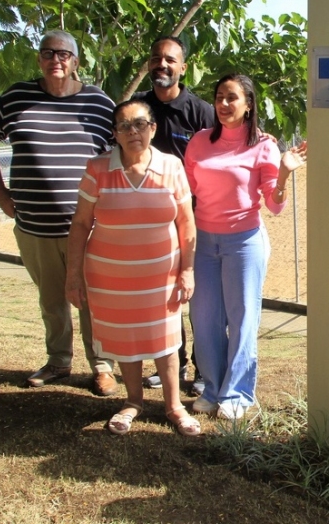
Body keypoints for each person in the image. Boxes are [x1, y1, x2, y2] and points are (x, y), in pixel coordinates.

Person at [0, 30, 118, 396]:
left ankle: (103, 366)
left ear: (76, 62)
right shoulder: (15, 97)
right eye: (48, 53)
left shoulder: (99, 103)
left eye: (64, 54)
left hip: (88, 228)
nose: (56, 59)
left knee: (93, 300)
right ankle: (58, 362)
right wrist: (0, 194)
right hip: (34, 227)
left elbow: (118, 157)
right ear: (39, 59)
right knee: (52, 299)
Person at [65, 99, 201, 436]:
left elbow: (186, 223)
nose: (132, 131)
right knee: (126, 340)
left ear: (152, 129)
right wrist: (73, 276)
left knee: (166, 340)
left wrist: (187, 270)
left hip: (162, 277)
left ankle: (174, 406)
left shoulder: (171, 166)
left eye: (140, 124)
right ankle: (134, 401)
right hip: (110, 278)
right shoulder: (97, 168)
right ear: (115, 134)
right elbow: (81, 224)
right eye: (124, 126)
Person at [184, 73, 307, 421]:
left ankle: (237, 393)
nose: (223, 104)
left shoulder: (264, 145)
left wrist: (283, 173)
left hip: (244, 242)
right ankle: (212, 387)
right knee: (204, 319)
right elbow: (190, 189)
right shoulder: (199, 142)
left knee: (242, 319)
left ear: (248, 103)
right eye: (219, 97)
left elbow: (275, 204)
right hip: (204, 241)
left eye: (232, 98)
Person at [133, 35, 215, 394]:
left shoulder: (201, 112)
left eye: (169, 60)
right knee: (161, 301)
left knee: (200, 300)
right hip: (149, 225)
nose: (161, 65)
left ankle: (202, 369)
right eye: (156, 59)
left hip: (196, 222)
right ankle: (172, 365)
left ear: (182, 67)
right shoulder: (137, 109)